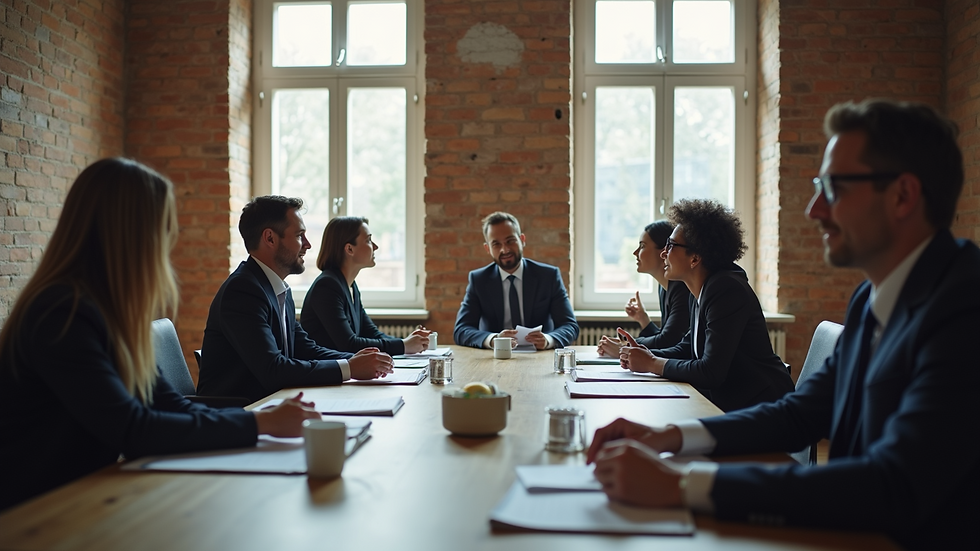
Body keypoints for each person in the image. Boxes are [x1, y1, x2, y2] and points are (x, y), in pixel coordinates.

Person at [587, 99, 979, 550]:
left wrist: (682, 487)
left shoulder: (965, 308)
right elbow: (799, 414)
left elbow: (893, 486)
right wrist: (667, 435)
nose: (814, 209)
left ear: (903, 196)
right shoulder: (871, 297)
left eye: (833, 188)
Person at [0, 159, 320, 511]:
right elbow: (133, 430)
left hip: (86, 500)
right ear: (128, 234)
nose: (167, 247)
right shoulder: (62, 312)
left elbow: (172, 406)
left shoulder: (110, 312)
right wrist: (260, 422)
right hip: (37, 514)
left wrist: (263, 422)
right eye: (163, 230)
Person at [197, 196, 393, 403]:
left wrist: (353, 360)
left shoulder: (278, 288)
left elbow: (304, 348)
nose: (307, 245)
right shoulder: (243, 290)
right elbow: (273, 369)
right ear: (270, 238)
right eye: (300, 235)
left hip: (273, 404)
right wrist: (350, 368)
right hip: (240, 414)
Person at [618, 199, 794, 412]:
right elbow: (687, 347)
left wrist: (652, 363)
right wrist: (646, 353)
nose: (664, 253)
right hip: (736, 403)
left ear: (695, 258)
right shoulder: (700, 288)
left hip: (764, 409)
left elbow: (711, 371)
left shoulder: (725, 289)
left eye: (671, 245)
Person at [301, 216, 430, 354]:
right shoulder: (326, 286)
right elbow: (349, 343)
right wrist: (403, 346)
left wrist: (408, 342)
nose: (375, 246)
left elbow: (371, 333)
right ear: (349, 249)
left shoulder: (350, 286)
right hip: (326, 372)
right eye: (368, 240)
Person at [454, 212, 579, 349]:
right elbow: (461, 330)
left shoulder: (548, 276)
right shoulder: (479, 280)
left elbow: (570, 326)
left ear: (522, 240)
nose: (505, 249)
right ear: (487, 249)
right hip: (496, 357)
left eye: (510, 241)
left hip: (540, 356)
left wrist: (548, 340)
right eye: (496, 244)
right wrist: (493, 340)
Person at [596, 221, 692, 357]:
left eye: (642, 246)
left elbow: (669, 341)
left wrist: (626, 347)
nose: (635, 252)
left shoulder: (682, 288)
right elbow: (667, 338)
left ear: (664, 251)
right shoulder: (664, 287)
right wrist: (643, 320)